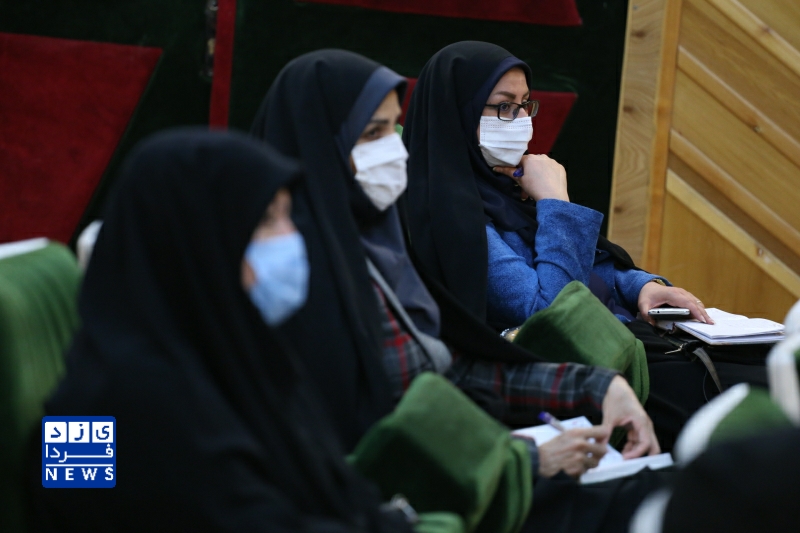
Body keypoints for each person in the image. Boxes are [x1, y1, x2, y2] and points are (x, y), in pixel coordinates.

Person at [250, 49, 660, 482]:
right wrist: (525, 459)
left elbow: (452, 371)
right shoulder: (300, 277)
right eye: (373, 133)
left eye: (392, 128)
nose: (394, 150)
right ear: (320, 143)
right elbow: (378, 437)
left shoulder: (379, 241)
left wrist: (632, 305)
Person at [27, 129, 415, 532]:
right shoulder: (93, 410)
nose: (290, 238)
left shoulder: (232, 352)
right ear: (193, 242)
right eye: (265, 221)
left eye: (288, 215)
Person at [400, 41, 711, 333]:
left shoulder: (507, 190)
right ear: (456, 114)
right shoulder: (452, 214)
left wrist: (643, 286)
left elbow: (585, 267)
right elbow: (554, 315)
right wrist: (556, 203)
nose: (523, 119)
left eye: (524, 103)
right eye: (504, 106)